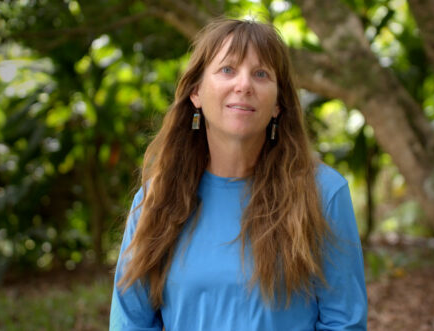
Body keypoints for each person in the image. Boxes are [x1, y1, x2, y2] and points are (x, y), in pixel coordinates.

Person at [110, 18, 367, 330]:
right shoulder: (156, 200)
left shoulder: (324, 193)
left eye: (261, 74)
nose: (244, 85)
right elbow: (130, 324)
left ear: (277, 104)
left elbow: (344, 323)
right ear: (196, 93)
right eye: (227, 69)